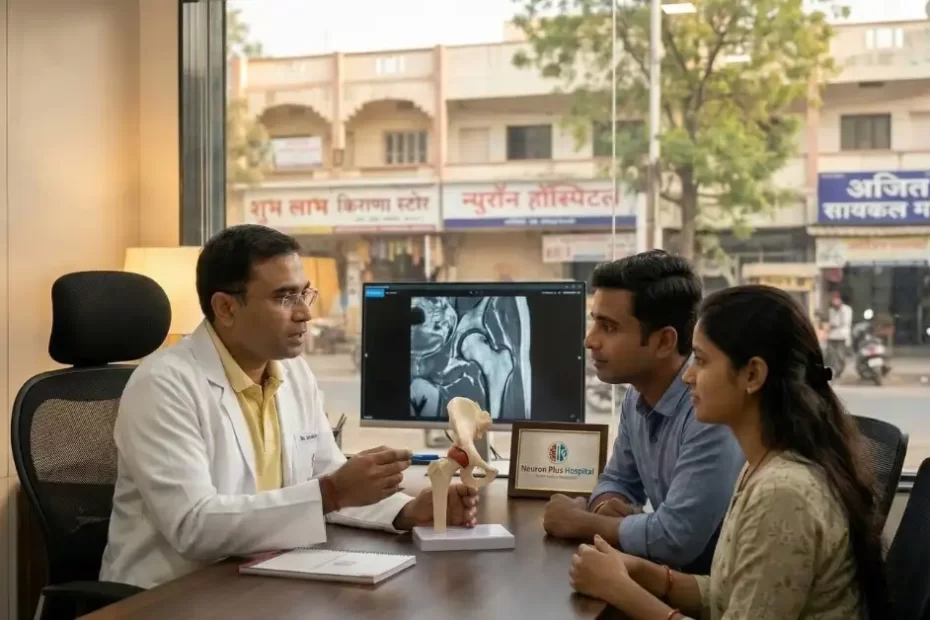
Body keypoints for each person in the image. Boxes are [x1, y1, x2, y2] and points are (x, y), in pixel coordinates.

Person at [100, 224, 478, 589]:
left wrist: (406, 511)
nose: (305, 313)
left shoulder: (292, 374)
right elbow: (193, 526)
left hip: (260, 576)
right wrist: (332, 491)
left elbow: (328, 476)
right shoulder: (163, 385)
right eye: (284, 297)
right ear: (226, 308)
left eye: (304, 294)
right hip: (171, 594)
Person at [568, 285, 888, 620]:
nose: (689, 376)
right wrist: (647, 574)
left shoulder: (783, 493)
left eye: (702, 361)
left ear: (752, 375)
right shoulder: (762, 466)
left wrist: (620, 590)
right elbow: (728, 595)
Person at [543, 251, 744, 574]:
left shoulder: (709, 411)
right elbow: (617, 478)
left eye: (608, 327)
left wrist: (580, 522)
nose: (589, 340)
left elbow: (676, 539)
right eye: (594, 321)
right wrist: (607, 505)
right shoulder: (636, 396)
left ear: (664, 341)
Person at [827, 291, 853, 357]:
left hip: (842, 336)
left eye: (836, 299)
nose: (834, 301)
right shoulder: (831, 310)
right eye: (833, 300)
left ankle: (840, 366)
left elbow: (846, 322)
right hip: (832, 336)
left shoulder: (846, 309)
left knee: (840, 355)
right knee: (832, 354)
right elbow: (830, 321)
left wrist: (833, 324)